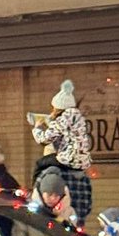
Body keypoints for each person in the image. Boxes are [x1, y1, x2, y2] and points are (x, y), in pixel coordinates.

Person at [29, 79, 93, 223]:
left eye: (54, 108)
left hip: (67, 158)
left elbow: (44, 139)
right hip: (80, 161)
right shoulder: (77, 117)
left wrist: (37, 128)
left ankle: (32, 187)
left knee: (40, 164)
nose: (52, 111)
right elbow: (87, 204)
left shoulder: (64, 118)